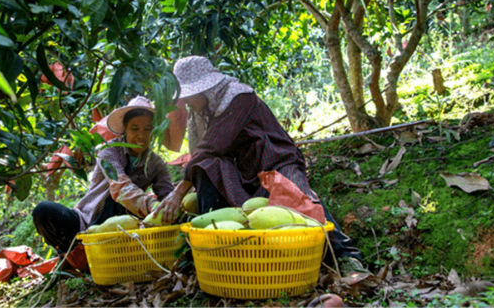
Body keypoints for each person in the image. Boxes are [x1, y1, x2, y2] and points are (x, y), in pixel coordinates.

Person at [152, 56, 368, 275]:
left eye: (190, 97)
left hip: (277, 161)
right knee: (206, 166)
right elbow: (202, 157)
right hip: (246, 171)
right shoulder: (204, 111)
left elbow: (210, 147)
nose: (187, 103)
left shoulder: (238, 97)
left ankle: (345, 256)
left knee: (299, 197)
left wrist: (178, 193)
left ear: (205, 90)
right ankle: (213, 254)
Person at [32, 96, 174, 264]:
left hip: (120, 226)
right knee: (43, 211)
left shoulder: (156, 163)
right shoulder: (108, 151)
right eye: (135, 129)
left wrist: (173, 205)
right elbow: (120, 187)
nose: (141, 135)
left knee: (122, 204)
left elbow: (167, 194)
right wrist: (152, 206)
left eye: (148, 129)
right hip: (85, 221)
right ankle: (69, 254)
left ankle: (103, 254)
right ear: (125, 130)